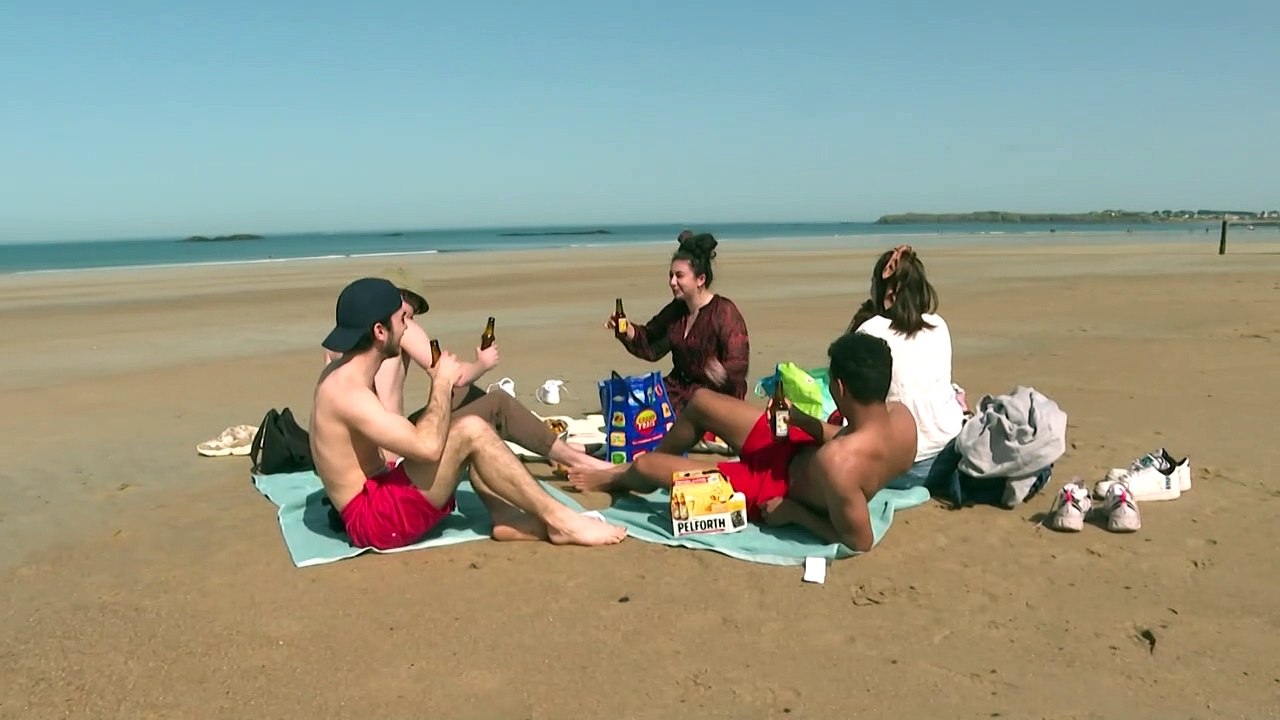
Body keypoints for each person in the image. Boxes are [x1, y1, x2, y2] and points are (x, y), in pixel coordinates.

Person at [310, 277, 627, 550]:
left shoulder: (345, 373)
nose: (406, 326)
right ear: (380, 331)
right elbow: (428, 447)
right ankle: (563, 522)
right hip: (373, 520)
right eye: (402, 319)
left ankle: (506, 518)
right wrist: (441, 382)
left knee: (470, 428)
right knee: (471, 431)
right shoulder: (349, 393)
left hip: (377, 492)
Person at [568, 332, 916, 553]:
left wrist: (793, 513)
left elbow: (859, 541)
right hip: (797, 450)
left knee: (646, 465)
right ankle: (644, 468)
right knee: (702, 402)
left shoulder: (839, 465)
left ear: (839, 387)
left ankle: (619, 476)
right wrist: (800, 420)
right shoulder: (902, 420)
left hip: (774, 488)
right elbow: (846, 437)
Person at [323, 286, 613, 472]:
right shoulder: (399, 329)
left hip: (368, 450)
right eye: (408, 308)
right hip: (395, 453)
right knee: (498, 403)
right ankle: (575, 459)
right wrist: (482, 364)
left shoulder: (342, 344)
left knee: (465, 396)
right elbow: (455, 377)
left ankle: (543, 442)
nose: (410, 318)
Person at [846, 245, 967, 489]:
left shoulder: (870, 331)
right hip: (949, 454)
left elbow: (853, 404)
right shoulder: (938, 324)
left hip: (901, 469)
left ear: (887, 291)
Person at [607, 231, 750, 415]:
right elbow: (652, 343)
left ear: (700, 279)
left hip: (713, 397)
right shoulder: (676, 310)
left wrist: (721, 373)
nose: (672, 282)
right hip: (677, 390)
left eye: (679, 276)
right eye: (671, 276)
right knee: (631, 408)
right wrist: (627, 330)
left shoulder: (724, 312)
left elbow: (739, 364)